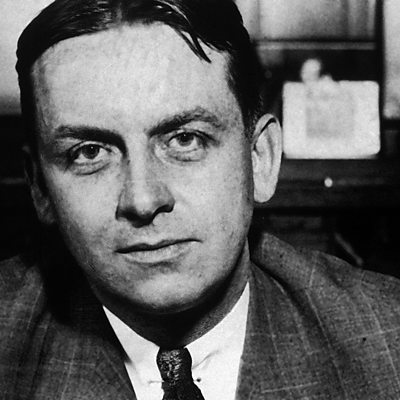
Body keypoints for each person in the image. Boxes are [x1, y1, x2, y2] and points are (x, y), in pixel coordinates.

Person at [1, 0, 400, 399]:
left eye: (185, 140)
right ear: (40, 187)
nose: (143, 200)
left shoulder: (388, 342)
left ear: (259, 159)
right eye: (89, 153)